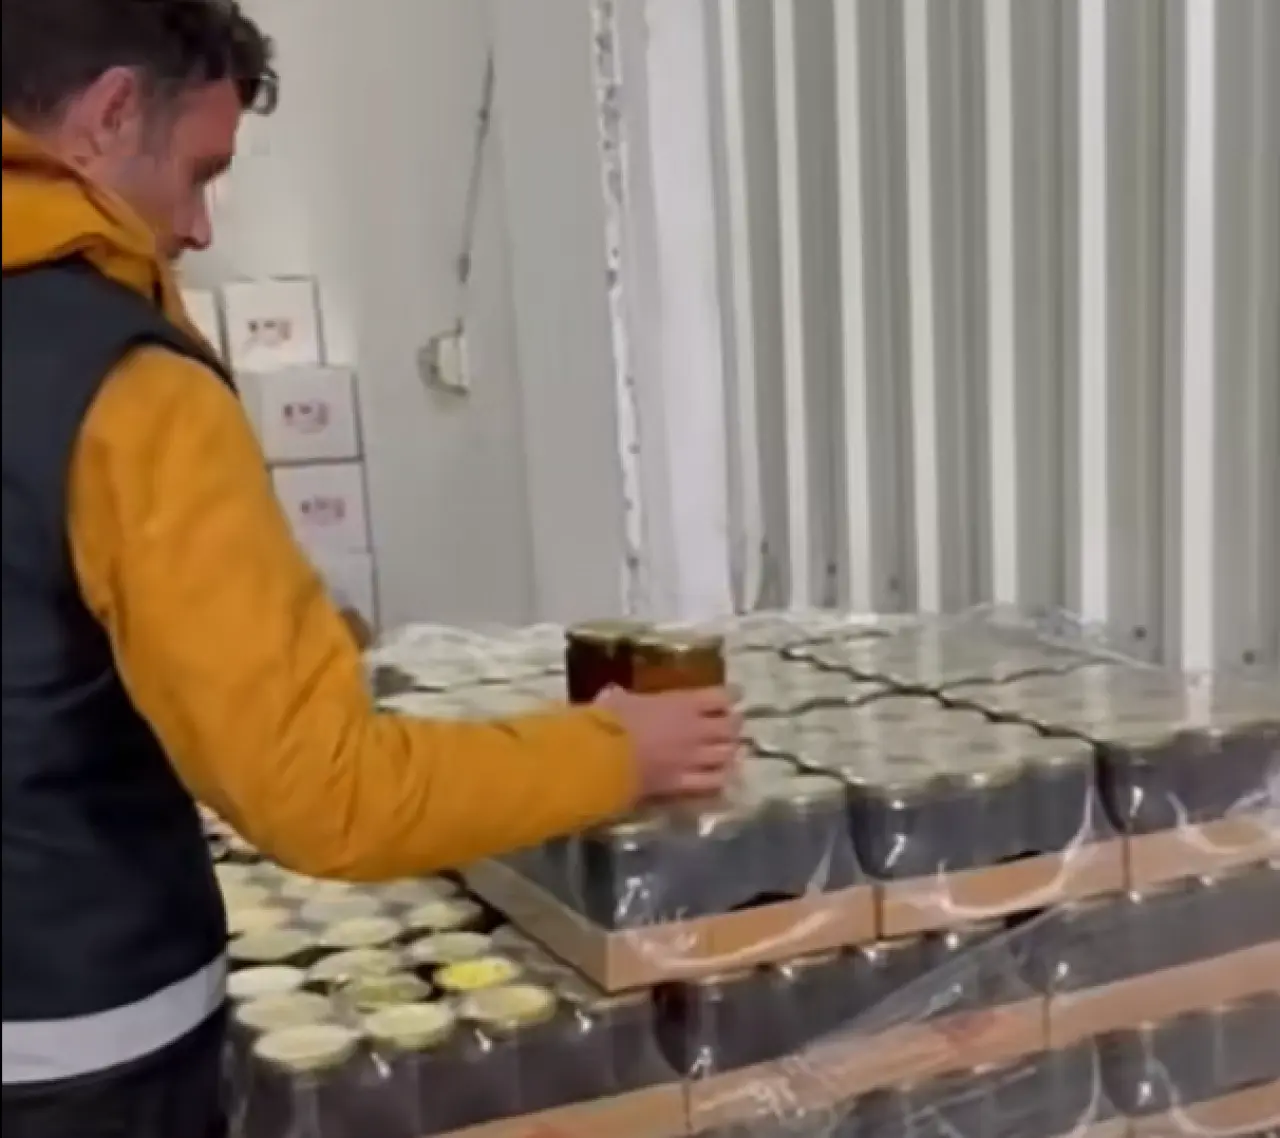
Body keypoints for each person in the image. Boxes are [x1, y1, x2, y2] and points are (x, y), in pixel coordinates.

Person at [0, 2, 740, 1134]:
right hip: (84, 1045)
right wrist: (618, 752)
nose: (197, 226)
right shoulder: (124, 385)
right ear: (109, 114)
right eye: (199, 173)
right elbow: (324, 793)